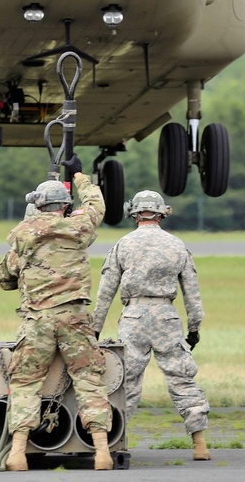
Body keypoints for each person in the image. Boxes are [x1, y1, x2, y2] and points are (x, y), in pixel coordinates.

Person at [0, 154, 113, 471]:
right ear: (63, 205)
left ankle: (17, 453)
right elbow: (95, 206)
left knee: (24, 383)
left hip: (37, 321)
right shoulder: (77, 228)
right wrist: (80, 177)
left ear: (37, 205)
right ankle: (102, 452)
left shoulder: (22, 236)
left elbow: (5, 278)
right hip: (75, 318)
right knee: (89, 379)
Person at [92, 190, 211, 461]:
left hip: (133, 319)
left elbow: (105, 293)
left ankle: (115, 445)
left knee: (126, 381)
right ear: (161, 213)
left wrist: (95, 329)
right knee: (181, 378)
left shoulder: (123, 245)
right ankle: (199, 444)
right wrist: (194, 328)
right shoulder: (177, 245)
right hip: (167, 317)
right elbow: (192, 294)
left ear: (133, 214)